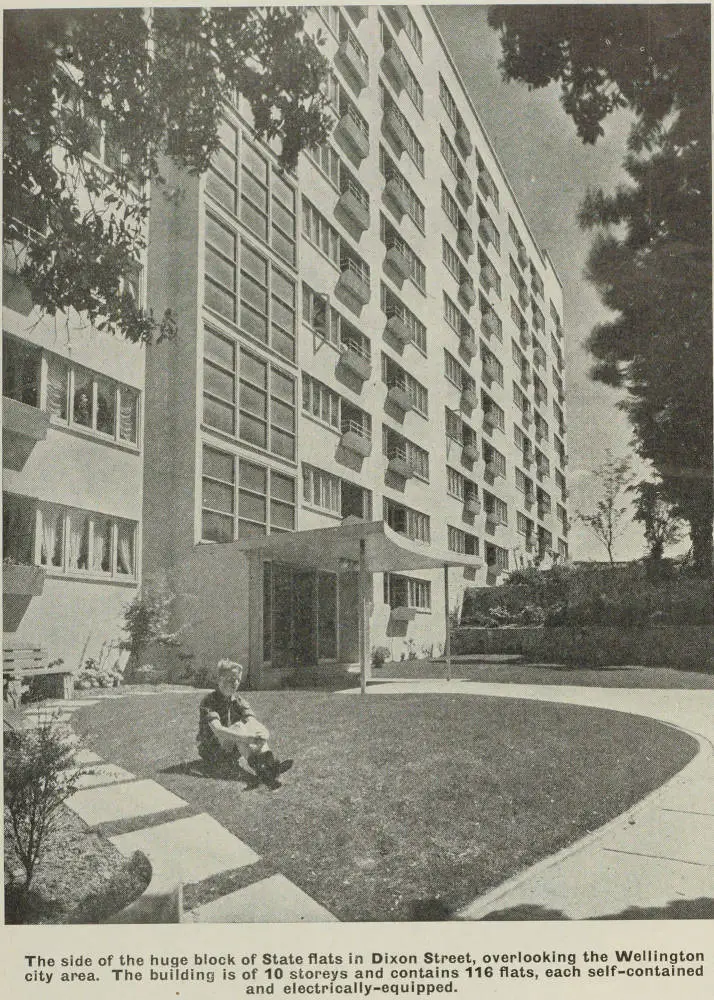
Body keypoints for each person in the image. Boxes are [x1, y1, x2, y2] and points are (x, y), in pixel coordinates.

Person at [197, 660, 293, 783]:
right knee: (238, 727)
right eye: (231, 679)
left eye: (238, 679)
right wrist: (248, 738)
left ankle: (269, 766)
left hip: (233, 747)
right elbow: (218, 731)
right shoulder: (209, 701)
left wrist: (262, 735)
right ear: (219, 679)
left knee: (250, 728)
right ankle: (262, 770)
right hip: (212, 750)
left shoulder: (238, 700)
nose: (235, 683)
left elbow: (252, 722)